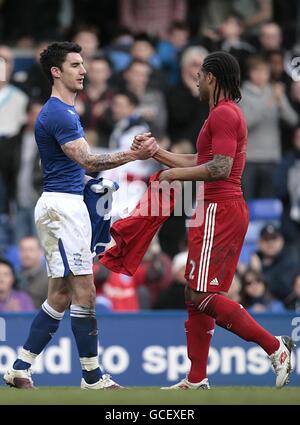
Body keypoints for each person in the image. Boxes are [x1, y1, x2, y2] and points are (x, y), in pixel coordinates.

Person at [132, 51, 294, 389]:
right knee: (194, 294)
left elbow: (219, 168)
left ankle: (275, 347)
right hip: (214, 208)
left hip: (219, 209)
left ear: (212, 78)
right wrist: (158, 153)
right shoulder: (220, 115)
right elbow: (201, 159)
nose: (195, 80)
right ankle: (196, 378)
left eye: (199, 74)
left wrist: (174, 174)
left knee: (202, 295)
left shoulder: (223, 114)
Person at [3, 41, 157, 390]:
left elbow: (66, 166)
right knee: (85, 291)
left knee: (59, 294)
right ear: (56, 72)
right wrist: (133, 155)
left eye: (83, 64)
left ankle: (18, 368)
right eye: (75, 64)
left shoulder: (65, 112)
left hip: (66, 203)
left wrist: (91, 184)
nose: (83, 70)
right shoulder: (59, 113)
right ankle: (91, 377)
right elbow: (89, 160)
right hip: (62, 209)